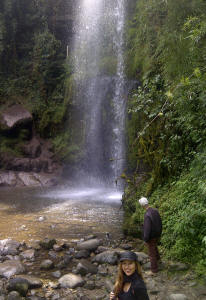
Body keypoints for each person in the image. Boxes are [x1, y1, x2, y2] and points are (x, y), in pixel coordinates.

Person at [139, 197, 162, 275]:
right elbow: (160, 222)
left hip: (151, 236)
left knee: (151, 253)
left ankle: (154, 270)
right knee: (154, 247)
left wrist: (145, 239)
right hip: (157, 234)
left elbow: (147, 229)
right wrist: (159, 233)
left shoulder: (147, 215)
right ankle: (158, 260)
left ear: (142, 205)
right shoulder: (155, 211)